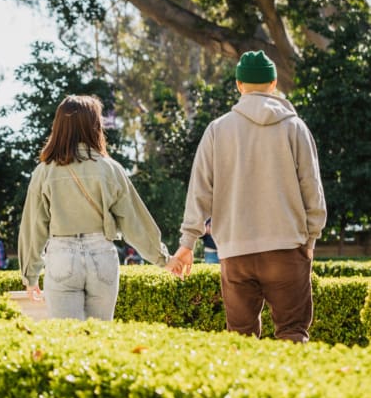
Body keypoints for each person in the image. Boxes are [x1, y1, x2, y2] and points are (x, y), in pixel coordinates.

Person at [172, 50, 326, 343]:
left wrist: (187, 242)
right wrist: (310, 240)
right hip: (287, 248)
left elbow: (199, 191)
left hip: (235, 252)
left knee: (240, 341)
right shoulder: (295, 127)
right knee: (293, 333)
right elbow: (312, 191)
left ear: (239, 85)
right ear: (274, 83)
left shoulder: (217, 130)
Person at [18, 95, 183, 321]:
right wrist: (163, 259)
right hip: (102, 256)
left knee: (68, 341)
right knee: (100, 338)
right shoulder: (110, 168)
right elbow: (133, 221)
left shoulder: (44, 171)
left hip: (61, 256)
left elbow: (34, 226)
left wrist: (30, 277)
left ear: (59, 127)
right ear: (94, 125)